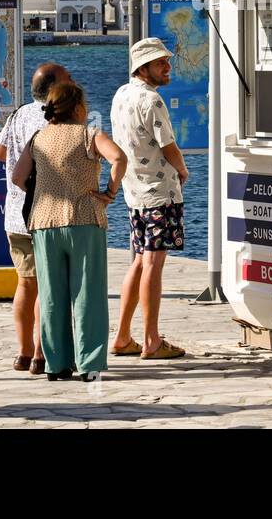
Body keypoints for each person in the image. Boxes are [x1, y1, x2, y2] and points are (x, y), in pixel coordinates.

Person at [11, 81, 126, 382]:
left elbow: (18, 177)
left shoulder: (38, 138)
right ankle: (88, 363)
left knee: (51, 295)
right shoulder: (89, 135)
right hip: (84, 218)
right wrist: (110, 191)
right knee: (87, 294)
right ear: (77, 108)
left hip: (44, 223)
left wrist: (45, 190)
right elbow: (119, 158)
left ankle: (56, 363)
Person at [109, 38, 188, 361]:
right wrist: (182, 169)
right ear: (143, 67)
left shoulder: (121, 95)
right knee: (154, 265)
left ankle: (123, 335)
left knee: (140, 260)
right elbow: (167, 145)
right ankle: (151, 339)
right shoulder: (152, 100)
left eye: (167, 61)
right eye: (160, 63)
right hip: (160, 194)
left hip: (134, 192)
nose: (167, 67)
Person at [0, 62, 70, 374]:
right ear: (54, 88)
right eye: (68, 80)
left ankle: (23, 352)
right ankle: (41, 353)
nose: (73, 83)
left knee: (26, 284)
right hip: (43, 213)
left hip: (14, 214)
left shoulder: (18, 114)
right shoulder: (54, 117)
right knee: (47, 285)